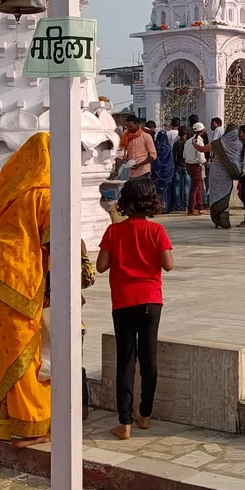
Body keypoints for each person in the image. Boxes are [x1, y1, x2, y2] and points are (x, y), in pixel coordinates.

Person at [0, 132, 52, 448]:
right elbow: (55, 248)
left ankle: (5, 418)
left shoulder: (12, 192)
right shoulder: (43, 197)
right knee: (27, 353)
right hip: (16, 281)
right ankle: (31, 424)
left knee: (2, 351)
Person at [98, 176, 175, 441]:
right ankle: (145, 414)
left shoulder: (114, 232)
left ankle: (124, 423)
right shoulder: (157, 231)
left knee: (126, 360)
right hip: (151, 300)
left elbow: (101, 266)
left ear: (125, 203)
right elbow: (168, 264)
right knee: (149, 359)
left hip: (123, 301)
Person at [205, 121, 243, 229]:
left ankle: (218, 219)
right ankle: (224, 221)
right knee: (225, 196)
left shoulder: (218, 143)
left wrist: (195, 144)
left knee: (216, 195)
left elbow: (203, 149)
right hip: (228, 173)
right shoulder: (239, 144)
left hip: (216, 172)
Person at [120, 114, 157, 180]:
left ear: (137, 124)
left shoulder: (146, 136)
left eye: (131, 126)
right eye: (127, 127)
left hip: (143, 172)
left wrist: (140, 164)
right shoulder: (125, 137)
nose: (129, 129)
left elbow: (153, 155)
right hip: (131, 172)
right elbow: (122, 153)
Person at [183, 122, 208, 215]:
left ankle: (200, 208)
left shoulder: (188, 141)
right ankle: (191, 209)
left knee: (198, 186)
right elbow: (201, 158)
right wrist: (205, 162)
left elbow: (184, 155)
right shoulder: (199, 142)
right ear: (202, 131)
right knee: (195, 188)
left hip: (188, 165)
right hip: (196, 166)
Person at [151, 125, 175, 212]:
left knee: (157, 190)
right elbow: (171, 162)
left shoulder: (155, 148)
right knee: (167, 190)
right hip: (167, 173)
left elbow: (154, 160)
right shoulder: (168, 149)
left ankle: (158, 208)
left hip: (158, 173)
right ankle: (166, 207)